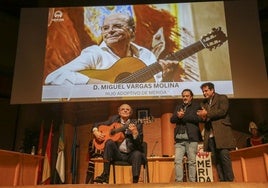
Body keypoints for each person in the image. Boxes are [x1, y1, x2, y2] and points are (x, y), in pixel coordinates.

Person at [44, 13, 176, 85]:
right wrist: (98, 84)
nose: (110, 31)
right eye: (105, 28)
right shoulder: (95, 53)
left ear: (132, 32)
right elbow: (53, 77)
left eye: (117, 26)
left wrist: (167, 77)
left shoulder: (145, 55)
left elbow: (155, 88)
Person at [92, 104, 146, 184]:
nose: (125, 110)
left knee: (137, 154)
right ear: (119, 112)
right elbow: (97, 124)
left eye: (127, 110)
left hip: (131, 154)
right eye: (122, 109)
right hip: (117, 154)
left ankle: (135, 181)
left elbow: (139, 144)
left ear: (130, 113)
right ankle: (105, 176)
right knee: (109, 142)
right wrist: (95, 131)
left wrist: (135, 133)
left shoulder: (137, 123)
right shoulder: (113, 119)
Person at [197, 82, 236, 182]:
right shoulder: (203, 103)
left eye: (206, 91)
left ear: (212, 90)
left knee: (224, 157)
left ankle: (230, 182)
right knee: (216, 160)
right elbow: (205, 118)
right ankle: (222, 182)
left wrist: (207, 113)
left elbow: (222, 111)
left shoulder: (222, 98)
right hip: (210, 135)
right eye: (203, 91)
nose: (204, 93)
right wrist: (202, 116)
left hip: (221, 133)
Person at [170, 89, 202, 182]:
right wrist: (178, 116)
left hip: (191, 139)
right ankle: (179, 182)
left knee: (191, 161)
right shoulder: (178, 107)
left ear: (191, 97)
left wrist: (183, 117)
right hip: (179, 140)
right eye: (183, 96)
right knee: (177, 161)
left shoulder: (196, 106)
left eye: (187, 96)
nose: (185, 97)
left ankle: (192, 182)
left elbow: (197, 119)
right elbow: (172, 120)